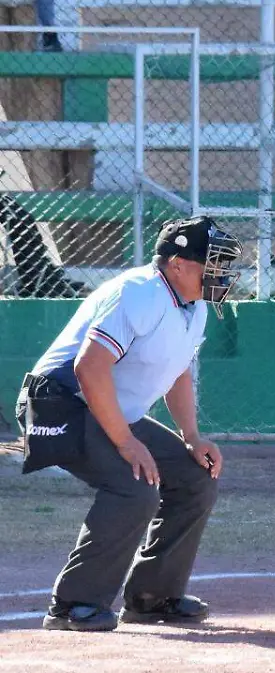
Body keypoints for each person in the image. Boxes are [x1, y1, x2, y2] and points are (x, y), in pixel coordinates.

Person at [13, 215, 242, 631]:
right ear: (177, 264)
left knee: (195, 478)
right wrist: (124, 440)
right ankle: (71, 605)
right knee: (133, 487)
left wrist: (191, 437)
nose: (221, 272)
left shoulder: (195, 306)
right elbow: (89, 367)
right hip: (58, 401)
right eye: (213, 261)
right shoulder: (140, 293)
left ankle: (153, 598)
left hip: (105, 407)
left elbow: (178, 372)